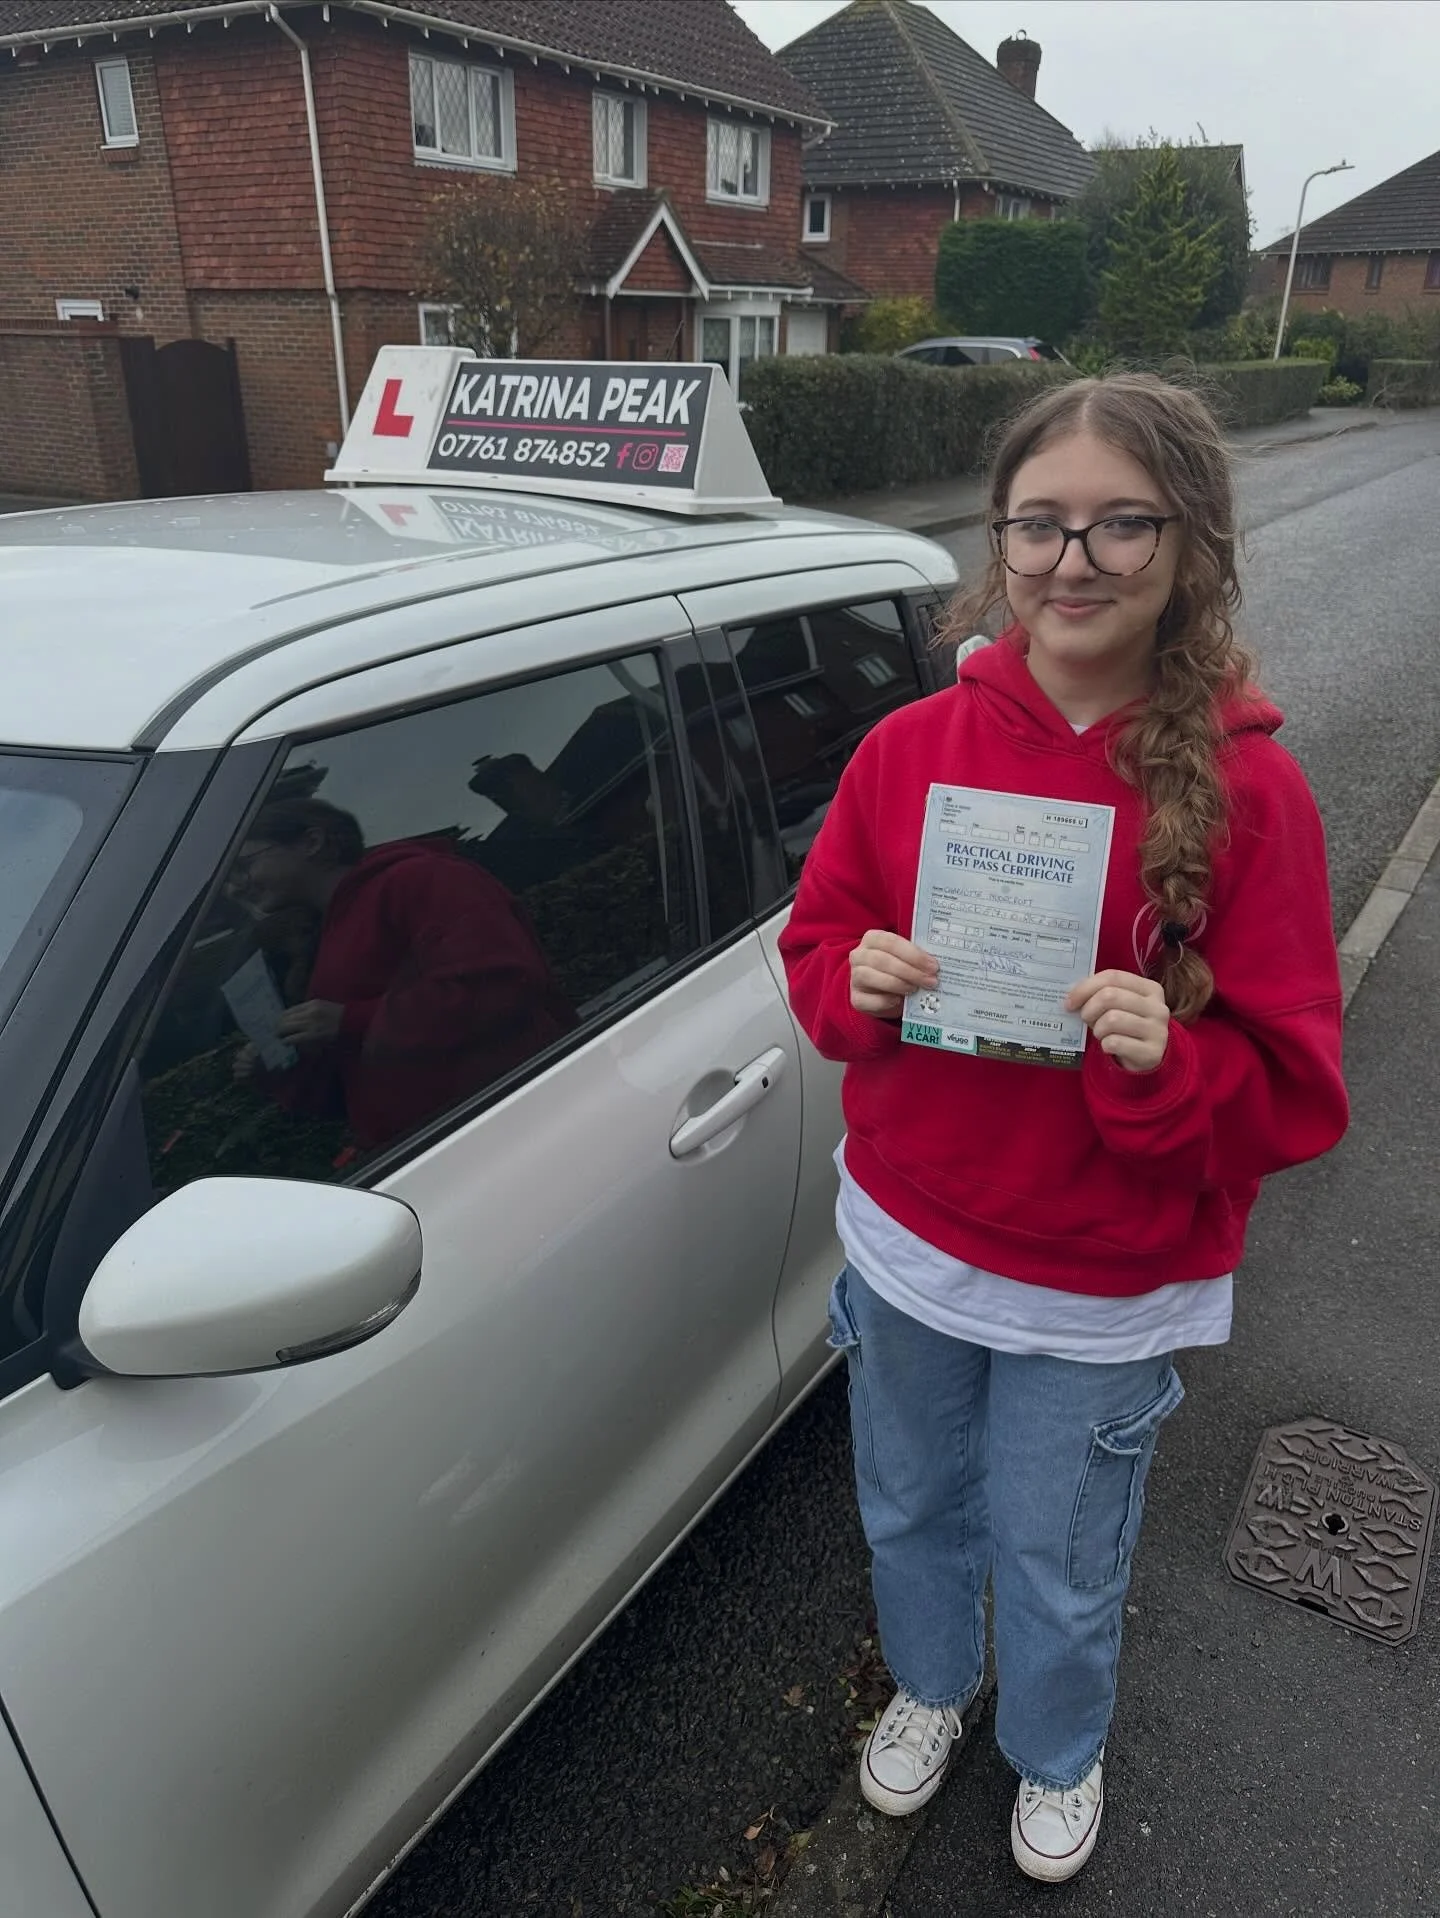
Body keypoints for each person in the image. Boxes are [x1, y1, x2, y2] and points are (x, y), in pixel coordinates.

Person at [778, 373, 1348, 1884]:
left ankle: (1056, 1744)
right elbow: (816, 957)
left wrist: (1170, 1062)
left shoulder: (1252, 791)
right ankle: (932, 1685)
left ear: (1189, 543)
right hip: (909, 1237)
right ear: (1002, 538)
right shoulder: (908, 751)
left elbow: (1298, 1088)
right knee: (906, 1503)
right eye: (1041, 522)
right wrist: (862, 981)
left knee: (1056, 1549)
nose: (1071, 558)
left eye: (1118, 523)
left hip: (1102, 1281)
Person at [232, 797, 576, 1151]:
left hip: (522, 1126)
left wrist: (351, 1019)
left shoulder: (421, 878)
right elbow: (357, 1082)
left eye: (243, 866)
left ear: (311, 843)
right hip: (432, 1149)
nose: (235, 887)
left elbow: (502, 989)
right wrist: (275, 1065)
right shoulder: (321, 936)